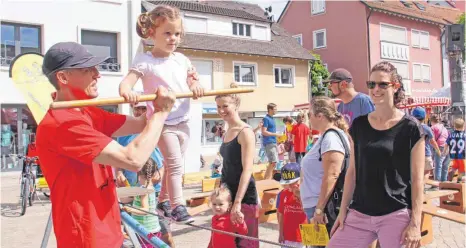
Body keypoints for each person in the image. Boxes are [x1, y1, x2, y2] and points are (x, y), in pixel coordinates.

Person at [36, 42, 176, 247]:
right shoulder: (63, 124)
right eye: (87, 70)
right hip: (86, 239)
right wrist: (161, 112)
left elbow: (141, 124)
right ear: (63, 77)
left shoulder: (85, 112)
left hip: (108, 231)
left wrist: (156, 99)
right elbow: (133, 159)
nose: (97, 74)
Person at [119, 5, 204, 223]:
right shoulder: (145, 61)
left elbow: (192, 78)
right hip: (163, 123)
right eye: (167, 33)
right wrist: (128, 93)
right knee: (175, 165)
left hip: (184, 120)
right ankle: (178, 206)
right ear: (151, 33)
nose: (173, 38)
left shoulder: (182, 59)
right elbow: (126, 84)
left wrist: (195, 85)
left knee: (170, 165)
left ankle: (164, 202)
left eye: (177, 34)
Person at [328, 62, 424, 248]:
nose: (375, 89)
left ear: (395, 86)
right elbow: (352, 172)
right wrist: (343, 212)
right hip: (359, 213)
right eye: (371, 84)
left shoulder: (410, 127)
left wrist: (415, 223)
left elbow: (418, 179)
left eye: (382, 84)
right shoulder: (359, 125)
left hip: (395, 213)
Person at [115, 101, 174, 247]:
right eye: (137, 109)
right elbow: (117, 157)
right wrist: (119, 172)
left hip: (154, 189)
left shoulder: (157, 131)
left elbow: (167, 161)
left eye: (143, 108)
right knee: (134, 231)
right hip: (131, 187)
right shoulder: (124, 133)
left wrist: (159, 174)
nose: (140, 111)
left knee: (163, 233)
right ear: (132, 109)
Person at [216, 84, 259, 247]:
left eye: (225, 106)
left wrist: (238, 202)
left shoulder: (245, 131)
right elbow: (227, 167)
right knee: (226, 241)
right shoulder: (227, 131)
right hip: (227, 195)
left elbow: (247, 170)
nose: (221, 110)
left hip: (244, 197)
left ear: (236, 105)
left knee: (245, 242)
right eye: (218, 107)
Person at [300, 96, 350, 234]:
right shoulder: (327, 136)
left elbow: (332, 175)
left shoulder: (331, 138)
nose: (308, 118)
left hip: (325, 207)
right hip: (319, 205)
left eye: (309, 114)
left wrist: (319, 209)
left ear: (320, 116)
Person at [122, 158, 162, 247]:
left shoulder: (144, 190)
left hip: (146, 230)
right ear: (154, 173)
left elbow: (145, 210)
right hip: (152, 228)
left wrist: (130, 209)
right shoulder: (150, 187)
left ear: (138, 173)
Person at [277, 163, 307, 248]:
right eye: (287, 183)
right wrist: (280, 233)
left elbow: (307, 212)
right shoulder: (283, 194)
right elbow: (281, 214)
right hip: (287, 236)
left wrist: (299, 196)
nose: (290, 186)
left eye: (292, 182)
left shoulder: (305, 193)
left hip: (303, 237)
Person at [411, 107, 441, 181]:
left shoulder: (409, 127)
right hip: (426, 154)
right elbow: (432, 141)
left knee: (416, 173)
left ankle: (416, 188)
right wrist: (438, 150)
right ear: (424, 117)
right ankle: (422, 187)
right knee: (427, 172)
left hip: (413, 154)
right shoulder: (427, 128)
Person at [262, 103, 282, 179]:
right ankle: (267, 179)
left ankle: (267, 179)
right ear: (270, 110)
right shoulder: (266, 119)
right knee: (273, 162)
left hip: (272, 142)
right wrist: (275, 134)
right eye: (275, 109)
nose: (276, 110)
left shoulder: (272, 119)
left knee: (273, 162)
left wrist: (277, 138)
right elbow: (264, 131)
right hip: (269, 142)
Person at [444, 118, 465, 182]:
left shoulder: (451, 134)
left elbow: (446, 144)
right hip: (462, 155)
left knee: (455, 166)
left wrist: (444, 151)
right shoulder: (464, 135)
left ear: (454, 126)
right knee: (462, 169)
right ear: (463, 126)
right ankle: (459, 180)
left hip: (453, 155)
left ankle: (450, 175)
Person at [430, 114, 450, 182]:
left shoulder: (433, 127)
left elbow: (432, 139)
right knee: (445, 166)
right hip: (447, 147)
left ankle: (437, 184)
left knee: (438, 166)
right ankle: (444, 182)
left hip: (439, 147)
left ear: (431, 120)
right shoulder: (443, 127)